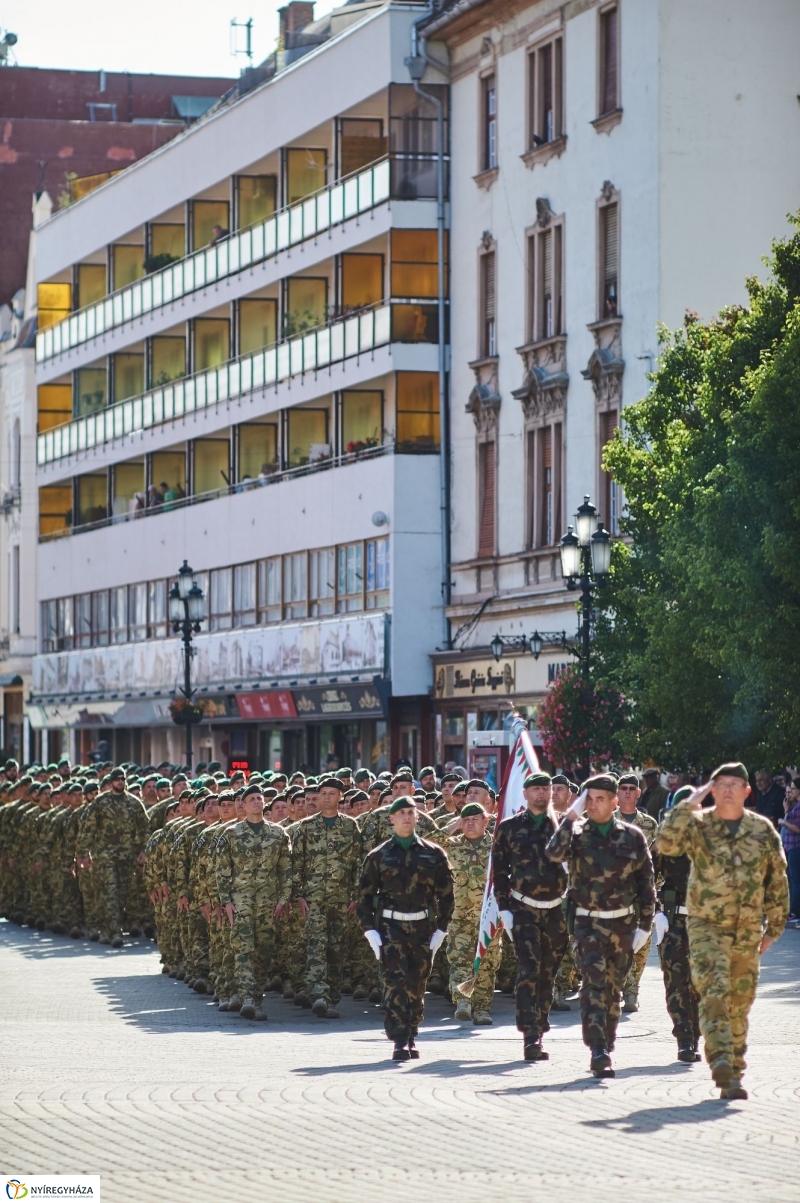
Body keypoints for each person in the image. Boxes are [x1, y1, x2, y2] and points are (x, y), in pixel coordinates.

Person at [658, 762, 789, 1099]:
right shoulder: (698, 825)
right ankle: (720, 1061)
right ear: (712, 790)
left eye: (735, 784)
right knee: (713, 990)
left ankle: (734, 1069)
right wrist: (690, 801)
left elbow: (777, 880)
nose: (728, 789)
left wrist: (774, 928)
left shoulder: (762, 830)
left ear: (748, 791)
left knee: (739, 1001)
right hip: (706, 927)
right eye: (721, 784)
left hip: (747, 930)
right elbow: (666, 843)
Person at [545, 774, 655, 1079]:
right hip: (587, 925)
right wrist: (570, 816)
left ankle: (607, 1040)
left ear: (614, 802)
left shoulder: (632, 837)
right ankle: (598, 1049)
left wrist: (645, 926)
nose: (593, 805)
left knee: (613, 990)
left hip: (622, 926)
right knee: (593, 985)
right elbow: (553, 853)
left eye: (600, 799)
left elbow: (646, 885)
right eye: (588, 799)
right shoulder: (576, 834)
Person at [357, 796, 454, 1061]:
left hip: (422, 926)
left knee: (417, 983)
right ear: (392, 819)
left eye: (411, 812)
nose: (407, 817)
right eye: (401, 813)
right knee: (394, 982)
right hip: (391, 927)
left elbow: (446, 895)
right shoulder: (378, 855)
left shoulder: (433, 854)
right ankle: (399, 1039)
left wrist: (441, 929)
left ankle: (412, 1032)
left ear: (418, 817)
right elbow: (364, 896)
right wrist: (370, 930)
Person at [492, 771, 568, 1061]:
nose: (541, 793)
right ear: (524, 794)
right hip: (523, 908)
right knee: (529, 970)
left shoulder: (563, 827)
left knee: (548, 971)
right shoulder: (509, 828)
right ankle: (530, 1035)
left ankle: (540, 1021)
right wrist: (503, 908)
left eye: (545, 788)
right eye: (535, 789)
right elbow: (498, 871)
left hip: (555, 909)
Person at [215, 783, 291, 1021]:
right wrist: (225, 900)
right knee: (243, 951)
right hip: (241, 902)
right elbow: (222, 870)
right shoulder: (231, 834)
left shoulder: (278, 834)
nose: (257, 801)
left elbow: (285, 870)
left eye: (260, 798)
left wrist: (283, 899)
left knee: (264, 952)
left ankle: (256, 998)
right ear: (244, 805)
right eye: (252, 799)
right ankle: (247, 998)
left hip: (268, 903)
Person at [291, 776, 361, 1018]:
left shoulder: (351, 827)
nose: (327, 797)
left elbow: (357, 864)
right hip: (314, 899)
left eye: (332, 793)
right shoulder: (306, 827)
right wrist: (298, 895)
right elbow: (296, 864)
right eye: (323, 794)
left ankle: (331, 997)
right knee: (316, 946)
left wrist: (356, 894)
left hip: (341, 899)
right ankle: (319, 994)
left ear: (340, 797)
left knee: (337, 950)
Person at [652, 784, 702, 1063]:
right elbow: (645, 877)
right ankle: (685, 1039)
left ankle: (696, 1033)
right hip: (674, 921)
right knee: (676, 982)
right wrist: (655, 911)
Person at [446, 802, 499, 1026]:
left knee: (487, 963)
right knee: (459, 961)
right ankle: (463, 1002)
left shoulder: (497, 848)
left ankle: (482, 1008)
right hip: (459, 916)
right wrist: (450, 827)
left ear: (486, 822)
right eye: (465, 819)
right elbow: (424, 839)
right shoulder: (451, 846)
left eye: (475, 819)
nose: (469, 823)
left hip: (488, 917)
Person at [616, 772, 658, 1013]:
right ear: (618, 793)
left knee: (642, 945)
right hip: (614, 894)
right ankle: (629, 993)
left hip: (642, 892)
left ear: (639, 793)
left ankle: (633, 987)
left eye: (633, 788)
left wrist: (656, 886)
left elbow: (657, 858)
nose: (628, 792)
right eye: (624, 788)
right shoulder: (607, 820)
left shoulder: (649, 824)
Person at [778, 777, 800, 924]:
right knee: (793, 880)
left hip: (796, 847)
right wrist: (786, 811)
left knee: (796, 881)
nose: (790, 791)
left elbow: (797, 829)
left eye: (792, 788)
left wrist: (784, 821)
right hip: (790, 846)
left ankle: (794, 912)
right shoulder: (795, 806)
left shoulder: (799, 807)